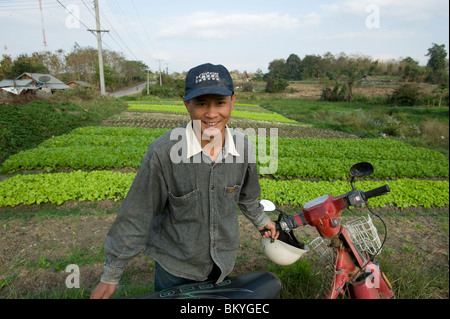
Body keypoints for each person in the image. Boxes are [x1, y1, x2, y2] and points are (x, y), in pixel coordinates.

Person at [90, 63, 278, 299]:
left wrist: (261, 220)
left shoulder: (243, 146)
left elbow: (248, 195)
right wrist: (111, 273)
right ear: (187, 104)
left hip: (222, 263)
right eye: (201, 104)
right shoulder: (163, 152)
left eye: (220, 103)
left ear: (232, 100)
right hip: (176, 267)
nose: (211, 114)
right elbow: (138, 214)